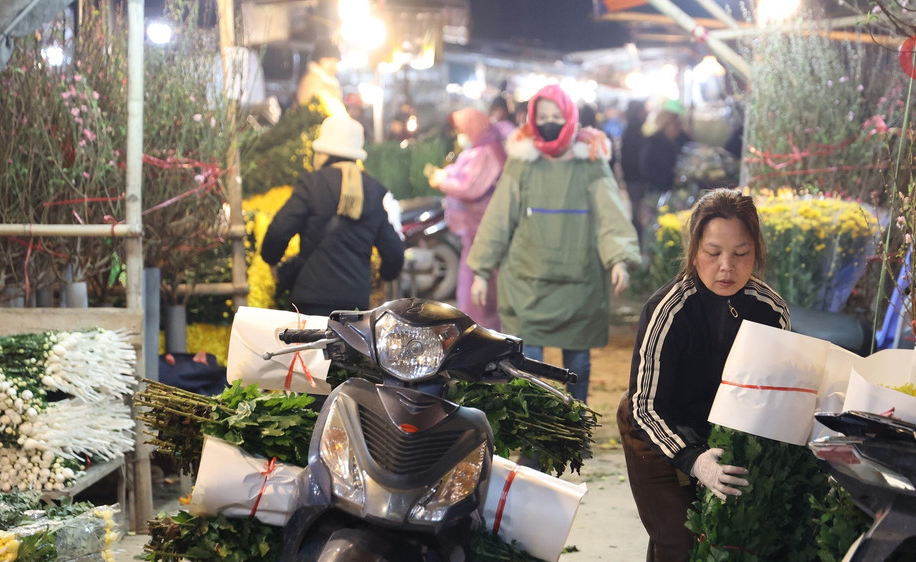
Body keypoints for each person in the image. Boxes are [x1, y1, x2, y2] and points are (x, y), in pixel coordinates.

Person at [616, 188, 790, 562]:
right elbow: (645, 405)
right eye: (713, 252)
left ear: (755, 253)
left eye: (740, 253)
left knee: (738, 545)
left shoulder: (769, 309)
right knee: (679, 546)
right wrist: (694, 460)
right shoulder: (669, 309)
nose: (725, 266)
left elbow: (779, 389)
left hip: (724, 433)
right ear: (694, 251)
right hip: (656, 434)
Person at [467, 83, 640, 404]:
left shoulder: (590, 161)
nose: (549, 122)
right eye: (542, 116)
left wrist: (620, 259)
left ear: (570, 117)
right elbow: (499, 217)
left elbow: (610, 215)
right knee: (529, 366)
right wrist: (481, 269)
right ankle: (537, 435)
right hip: (528, 285)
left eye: (556, 116)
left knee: (578, 365)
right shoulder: (522, 163)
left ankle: (576, 428)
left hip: (580, 283)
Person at [261, 114, 405, 316]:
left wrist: (272, 261)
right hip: (355, 303)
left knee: (313, 348)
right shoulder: (371, 190)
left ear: (323, 154)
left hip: (311, 299)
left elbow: (279, 230)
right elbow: (395, 253)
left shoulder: (312, 184)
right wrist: (384, 276)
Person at [425, 108, 507, 330]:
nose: (460, 133)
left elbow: (471, 186)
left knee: (480, 291)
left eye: (462, 128)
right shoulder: (479, 148)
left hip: (484, 231)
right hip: (473, 231)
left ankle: (483, 336)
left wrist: (443, 180)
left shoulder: (488, 150)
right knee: (471, 287)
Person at [619, 100, 650, 247]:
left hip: (633, 180)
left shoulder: (631, 131)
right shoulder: (634, 134)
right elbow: (635, 161)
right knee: (639, 215)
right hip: (636, 181)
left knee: (638, 213)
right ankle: (639, 245)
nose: (646, 114)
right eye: (644, 111)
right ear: (638, 113)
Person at [295, 37, 345, 117]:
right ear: (318, 59)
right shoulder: (311, 81)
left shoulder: (331, 82)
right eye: (328, 60)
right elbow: (309, 113)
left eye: (335, 61)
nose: (332, 65)